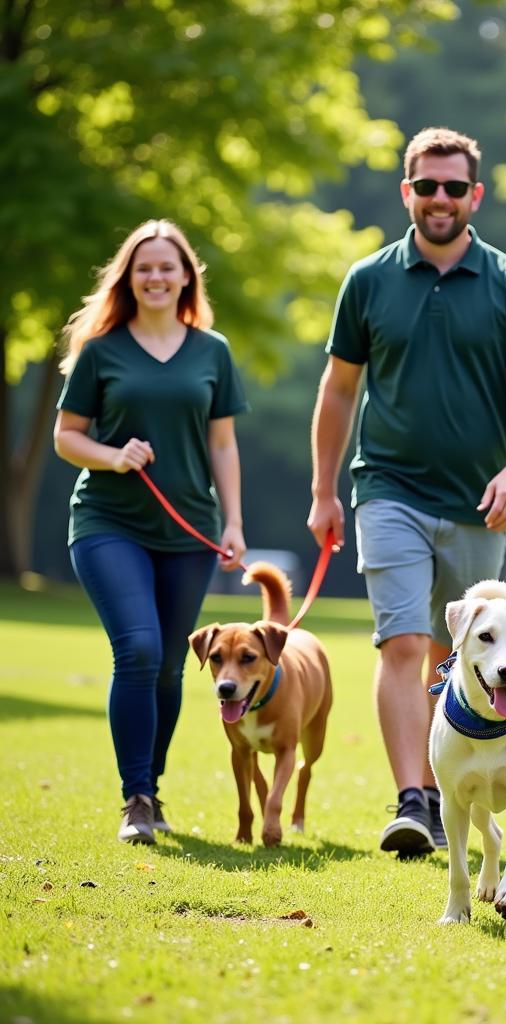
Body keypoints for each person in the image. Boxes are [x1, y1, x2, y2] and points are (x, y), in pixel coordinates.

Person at [307, 126, 506, 857]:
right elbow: (338, 390)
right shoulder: (369, 280)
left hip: (481, 501)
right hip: (386, 487)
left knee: (461, 653)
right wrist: (325, 491)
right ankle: (414, 799)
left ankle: (459, 785)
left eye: (454, 186)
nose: (440, 198)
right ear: (406, 192)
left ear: (474, 194)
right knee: (406, 642)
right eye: (427, 185)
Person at [54, 219, 249, 846]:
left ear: (186, 276)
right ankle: (135, 797)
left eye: (168, 266)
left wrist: (236, 522)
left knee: (169, 666)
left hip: (189, 530)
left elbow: (223, 442)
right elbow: (66, 436)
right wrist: (113, 456)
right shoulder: (101, 351)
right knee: (137, 650)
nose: (156, 277)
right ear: (128, 278)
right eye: (144, 267)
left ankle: (152, 786)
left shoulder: (211, 349)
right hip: (108, 522)